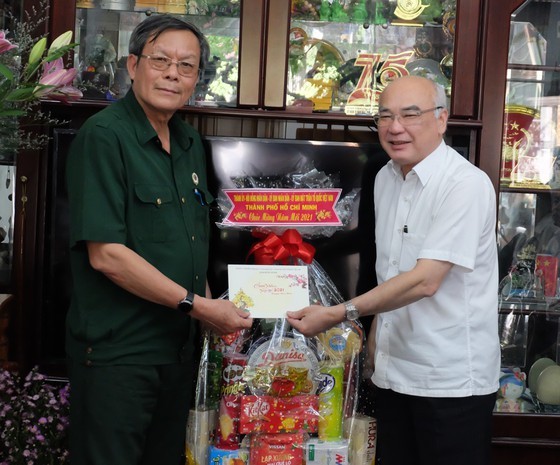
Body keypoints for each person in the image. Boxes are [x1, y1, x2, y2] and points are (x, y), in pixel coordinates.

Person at [65, 15, 252, 465]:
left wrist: (213, 316)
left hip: (176, 352)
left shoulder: (188, 142)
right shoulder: (105, 137)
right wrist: (202, 307)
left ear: (196, 79)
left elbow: (189, 244)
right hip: (119, 356)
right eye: (161, 60)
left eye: (186, 66)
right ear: (133, 65)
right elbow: (107, 255)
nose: (173, 73)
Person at [287, 75, 500, 465]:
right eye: (385, 116)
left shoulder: (465, 185)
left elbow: (425, 280)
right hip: (391, 370)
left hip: (449, 382)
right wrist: (374, 339)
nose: (395, 127)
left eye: (410, 115)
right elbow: (387, 268)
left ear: (441, 120)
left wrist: (339, 313)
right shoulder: (386, 177)